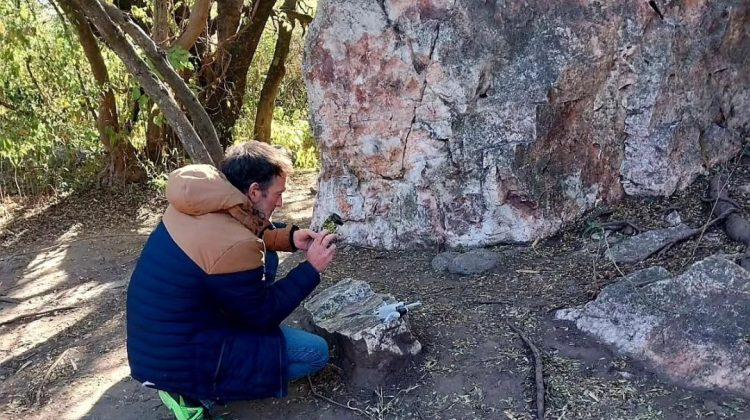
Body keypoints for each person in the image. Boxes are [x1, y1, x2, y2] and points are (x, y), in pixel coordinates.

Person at [126, 141, 336, 419]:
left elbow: (240, 226)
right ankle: (195, 395)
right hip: (180, 355)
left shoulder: (201, 199)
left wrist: (288, 238)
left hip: (154, 342)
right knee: (315, 353)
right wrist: (311, 268)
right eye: (278, 193)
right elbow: (263, 315)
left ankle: (181, 381)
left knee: (268, 257)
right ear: (253, 191)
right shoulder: (234, 246)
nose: (281, 201)